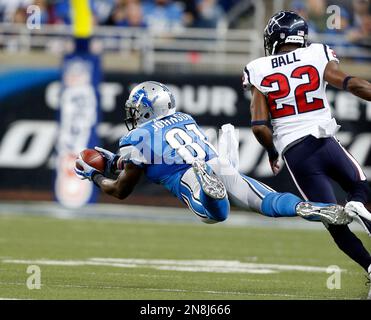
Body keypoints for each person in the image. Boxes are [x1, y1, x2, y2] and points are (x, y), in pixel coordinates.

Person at [74, 81, 350, 227]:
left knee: (216, 215)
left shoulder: (135, 138)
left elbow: (122, 189)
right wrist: (116, 162)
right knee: (268, 201)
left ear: (146, 110)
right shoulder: (184, 117)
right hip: (216, 163)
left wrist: (96, 176)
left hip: (189, 177)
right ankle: (316, 207)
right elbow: (147, 157)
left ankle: (210, 192)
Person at [242, 10, 371, 291]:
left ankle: (370, 265)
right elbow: (354, 84)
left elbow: (259, 127)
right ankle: (357, 203)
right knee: (360, 186)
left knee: (333, 223)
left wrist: (272, 152)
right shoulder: (317, 53)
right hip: (326, 142)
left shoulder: (258, 67)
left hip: (296, 152)